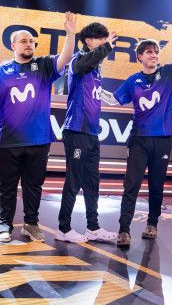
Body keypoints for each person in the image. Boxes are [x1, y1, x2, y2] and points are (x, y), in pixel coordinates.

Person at [101, 8, 172, 247]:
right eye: (149, 52)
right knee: (131, 185)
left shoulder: (169, 73)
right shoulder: (132, 81)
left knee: (156, 185)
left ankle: (152, 224)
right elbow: (114, 100)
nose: (154, 55)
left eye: (156, 52)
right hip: (139, 139)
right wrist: (96, 88)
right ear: (140, 57)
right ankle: (124, 230)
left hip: (163, 139)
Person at [0, 12, 76, 243]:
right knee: (7, 186)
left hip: (38, 139)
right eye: (23, 41)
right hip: (9, 139)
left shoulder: (43, 65)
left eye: (32, 41)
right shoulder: (2, 70)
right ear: (13, 45)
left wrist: (70, 34)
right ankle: (4, 225)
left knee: (34, 185)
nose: (29, 44)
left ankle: (31, 224)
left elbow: (65, 58)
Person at [56, 22, 118, 243]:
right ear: (89, 41)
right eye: (101, 39)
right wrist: (107, 46)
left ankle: (93, 227)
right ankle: (63, 228)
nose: (105, 43)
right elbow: (85, 64)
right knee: (74, 180)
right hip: (76, 131)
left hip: (91, 133)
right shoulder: (78, 61)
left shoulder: (96, 68)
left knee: (92, 181)